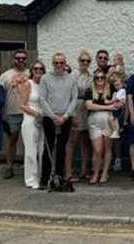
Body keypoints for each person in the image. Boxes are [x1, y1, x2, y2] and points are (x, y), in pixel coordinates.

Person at [38, 53, 78, 189]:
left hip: (65, 118)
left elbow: (74, 98)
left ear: (65, 63)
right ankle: (45, 178)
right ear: (52, 64)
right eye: (56, 63)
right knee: (48, 148)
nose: (59, 65)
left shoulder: (72, 79)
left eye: (61, 63)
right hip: (50, 117)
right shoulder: (45, 78)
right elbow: (42, 99)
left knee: (62, 148)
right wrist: (53, 116)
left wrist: (65, 116)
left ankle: (60, 177)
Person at [84, 71, 120, 184]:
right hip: (94, 121)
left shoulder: (111, 90)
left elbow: (118, 103)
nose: (100, 80)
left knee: (107, 148)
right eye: (97, 78)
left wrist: (107, 107)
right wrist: (108, 107)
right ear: (94, 79)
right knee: (97, 149)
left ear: (105, 79)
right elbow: (89, 105)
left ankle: (104, 173)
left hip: (108, 121)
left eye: (102, 77)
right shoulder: (89, 90)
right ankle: (96, 172)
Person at [0, 49, 28, 179]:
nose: (20, 60)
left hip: (28, 112)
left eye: (23, 58)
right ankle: (9, 166)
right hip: (12, 112)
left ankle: (29, 168)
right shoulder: (6, 76)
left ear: (26, 59)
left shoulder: (31, 73)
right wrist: (1, 113)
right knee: (12, 140)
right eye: (18, 58)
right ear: (13, 59)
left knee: (29, 141)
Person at [65, 50, 92, 182]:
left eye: (88, 61)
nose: (85, 63)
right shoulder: (73, 75)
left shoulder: (91, 76)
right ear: (78, 61)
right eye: (83, 60)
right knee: (72, 141)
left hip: (87, 108)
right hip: (75, 106)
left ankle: (83, 170)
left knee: (86, 141)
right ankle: (68, 172)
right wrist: (71, 114)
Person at [20, 61, 45, 189]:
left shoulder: (43, 85)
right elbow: (22, 105)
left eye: (41, 69)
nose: (38, 71)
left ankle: (39, 177)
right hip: (30, 119)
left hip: (42, 120)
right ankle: (30, 179)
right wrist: (36, 114)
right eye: (35, 68)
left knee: (41, 150)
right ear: (32, 70)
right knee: (31, 151)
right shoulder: (27, 84)